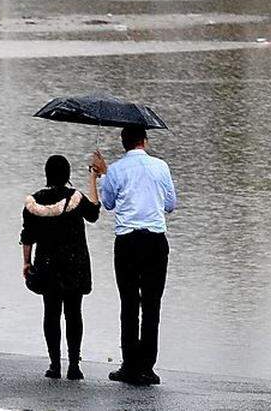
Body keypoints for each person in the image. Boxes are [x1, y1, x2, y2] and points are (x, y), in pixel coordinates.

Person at [90, 125, 177, 386]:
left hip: (127, 241)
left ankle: (129, 365)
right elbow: (171, 204)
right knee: (152, 304)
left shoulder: (115, 169)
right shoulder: (161, 167)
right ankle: (147, 367)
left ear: (123, 143)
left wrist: (103, 174)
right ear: (145, 141)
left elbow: (108, 203)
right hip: (155, 241)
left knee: (129, 303)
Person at [21, 155, 100, 380]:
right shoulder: (75, 198)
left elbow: (28, 236)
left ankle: (54, 365)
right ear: (67, 175)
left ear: (47, 174)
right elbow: (94, 214)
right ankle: (74, 365)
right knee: (74, 314)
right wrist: (93, 178)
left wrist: (26, 262)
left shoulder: (34, 203)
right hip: (75, 264)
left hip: (47, 265)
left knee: (51, 313)